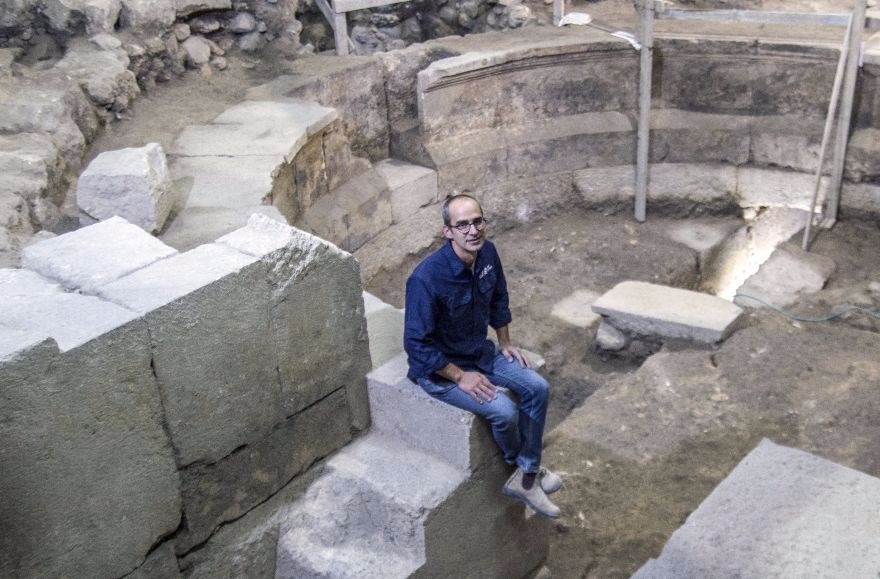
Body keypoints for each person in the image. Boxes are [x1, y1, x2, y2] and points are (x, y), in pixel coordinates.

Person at [403, 193, 562, 518]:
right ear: (448, 231)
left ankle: (526, 474)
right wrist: (460, 377)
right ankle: (525, 472)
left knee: (537, 387)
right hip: (440, 373)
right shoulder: (425, 279)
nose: (472, 230)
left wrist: (504, 342)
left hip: (480, 353)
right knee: (504, 412)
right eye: (462, 225)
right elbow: (416, 345)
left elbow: (499, 297)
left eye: (477, 221)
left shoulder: (487, 253)